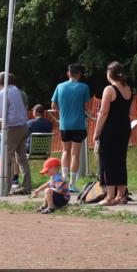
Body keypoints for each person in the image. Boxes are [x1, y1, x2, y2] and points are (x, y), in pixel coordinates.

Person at [93, 62, 135, 206]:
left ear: (109, 74)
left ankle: (110, 197)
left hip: (110, 129)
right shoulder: (128, 89)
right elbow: (130, 113)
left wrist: (96, 131)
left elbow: (103, 112)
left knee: (108, 161)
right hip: (124, 128)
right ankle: (121, 196)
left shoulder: (109, 89)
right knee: (120, 161)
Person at [0, 72, 31, 195]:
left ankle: (4, 189)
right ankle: (27, 187)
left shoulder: (2, 93)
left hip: (12, 128)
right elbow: (9, 107)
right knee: (22, 159)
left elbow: (2, 114)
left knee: (5, 159)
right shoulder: (19, 91)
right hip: (23, 127)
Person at [50, 63, 91, 192]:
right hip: (78, 125)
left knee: (65, 151)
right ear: (79, 74)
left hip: (64, 125)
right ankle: (72, 184)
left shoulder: (59, 86)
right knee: (75, 154)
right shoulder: (84, 87)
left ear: (68, 73)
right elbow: (86, 108)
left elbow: (54, 106)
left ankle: (63, 180)